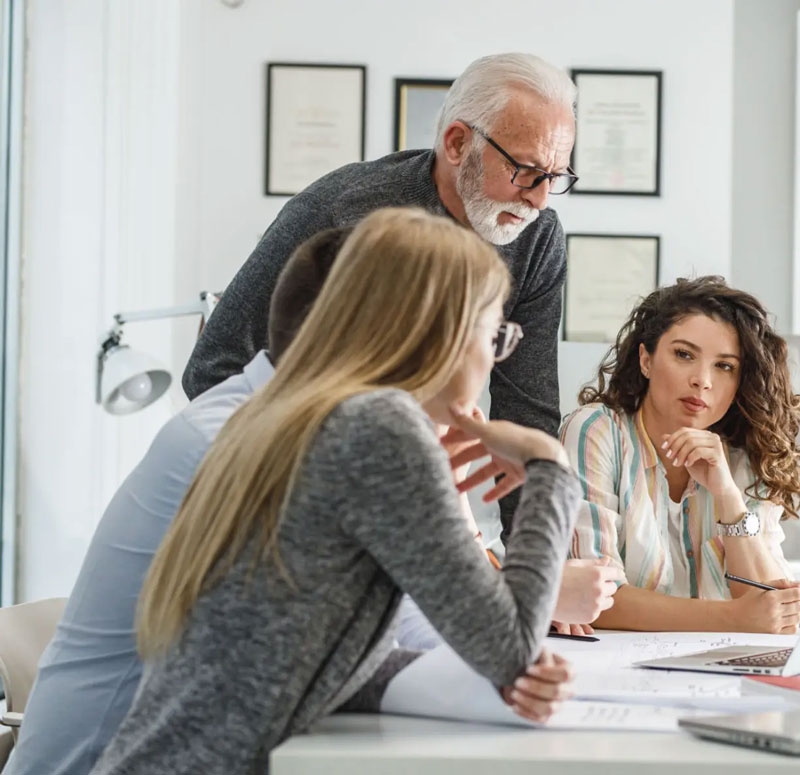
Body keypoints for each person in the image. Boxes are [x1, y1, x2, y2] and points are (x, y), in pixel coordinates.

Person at [11, 217, 583, 775]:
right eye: (494, 335)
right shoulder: (376, 426)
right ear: (440, 333)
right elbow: (509, 647)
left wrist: (494, 676)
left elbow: (300, 656)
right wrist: (549, 467)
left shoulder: (301, 418)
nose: (494, 357)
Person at [182, 52, 578, 541]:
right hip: (287, 499)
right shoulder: (338, 214)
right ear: (457, 143)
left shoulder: (537, 237)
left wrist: (537, 557)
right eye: (525, 170)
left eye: (556, 177)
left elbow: (528, 408)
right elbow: (212, 372)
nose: (539, 198)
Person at [560, 276, 800, 633]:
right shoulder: (597, 431)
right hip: (613, 665)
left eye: (725, 366)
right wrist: (733, 618)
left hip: (719, 672)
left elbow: (772, 608)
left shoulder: (747, 449)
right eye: (684, 355)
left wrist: (728, 497)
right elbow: (591, 598)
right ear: (646, 359)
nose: (702, 380)